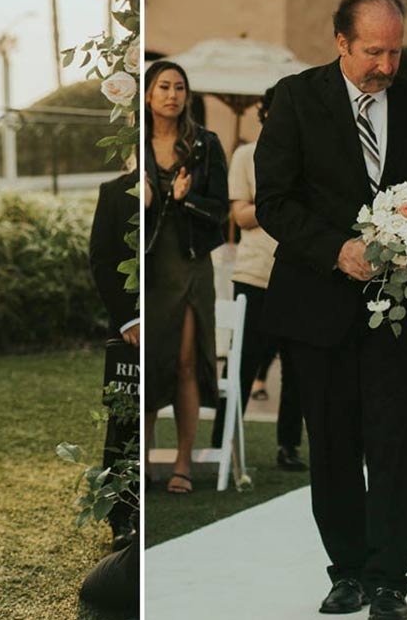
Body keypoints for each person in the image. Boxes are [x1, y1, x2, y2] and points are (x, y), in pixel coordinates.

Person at [254, 0, 407, 617]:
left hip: (400, 307)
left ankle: (387, 582)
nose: (386, 64)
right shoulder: (296, 100)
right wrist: (337, 249)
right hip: (315, 303)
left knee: (396, 441)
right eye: (374, 51)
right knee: (332, 442)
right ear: (342, 42)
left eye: (395, 50)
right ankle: (346, 569)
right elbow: (274, 200)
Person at [143, 60, 228, 495]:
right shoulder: (132, 147)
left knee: (185, 361)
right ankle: (139, 466)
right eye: (163, 87)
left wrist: (187, 197)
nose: (172, 95)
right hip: (150, 268)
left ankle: (183, 462)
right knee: (149, 363)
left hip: (191, 263)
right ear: (147, 95)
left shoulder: (206, 145)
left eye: (179, 88)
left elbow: (222, 211)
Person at [225, 86, 306, 471]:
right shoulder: (245, 156)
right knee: (243, 363)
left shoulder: (307, 159)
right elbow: (240, 216)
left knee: (297, 368)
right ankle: (224, 442)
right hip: (254, 273)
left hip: (298, 275)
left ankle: (288, 446)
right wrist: (280, 205)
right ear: (266, 114)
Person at [89, 168, 140, 547]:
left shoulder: (185, 179)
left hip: (173, 308)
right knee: (123, 418)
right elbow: (102, 260)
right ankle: (121, 516)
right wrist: (129, 319)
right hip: (129, 327)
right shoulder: (113, 192)